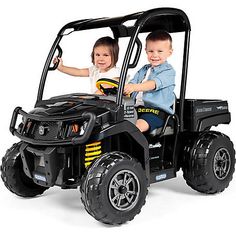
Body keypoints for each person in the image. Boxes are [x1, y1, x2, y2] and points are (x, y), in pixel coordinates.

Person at [124, 30, 175, 133]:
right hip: (136, 110)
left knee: (135, 128)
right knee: (115, 123)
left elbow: (153, 84)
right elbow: (132, 83)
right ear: (146, 51)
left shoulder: (168, 71)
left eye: (160, 51)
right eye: (151, 51)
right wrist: (125, 88)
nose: (155, 55)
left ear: (169, 52)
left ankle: (135, 148)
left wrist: (134, 87)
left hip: (156, 113)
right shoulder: (143, 69)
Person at [53, 36, 120, 94]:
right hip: (98, 102)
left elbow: (103, 90)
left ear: (114, 56)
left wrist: (89, 98)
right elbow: (78, 71)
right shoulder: (95, 70)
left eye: (105, 55)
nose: (101, 59)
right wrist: (61, 67)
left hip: (110, 105)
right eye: (97, 55)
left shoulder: (115, 73)